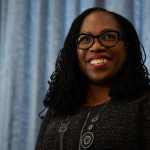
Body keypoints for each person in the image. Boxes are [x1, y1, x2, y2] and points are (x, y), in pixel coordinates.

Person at [35, 7, 150, 150]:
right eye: (85, 39)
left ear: (127, 46)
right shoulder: (58, 108)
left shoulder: (144, 104)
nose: (96, 47)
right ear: (74, 51)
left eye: (108, 36)